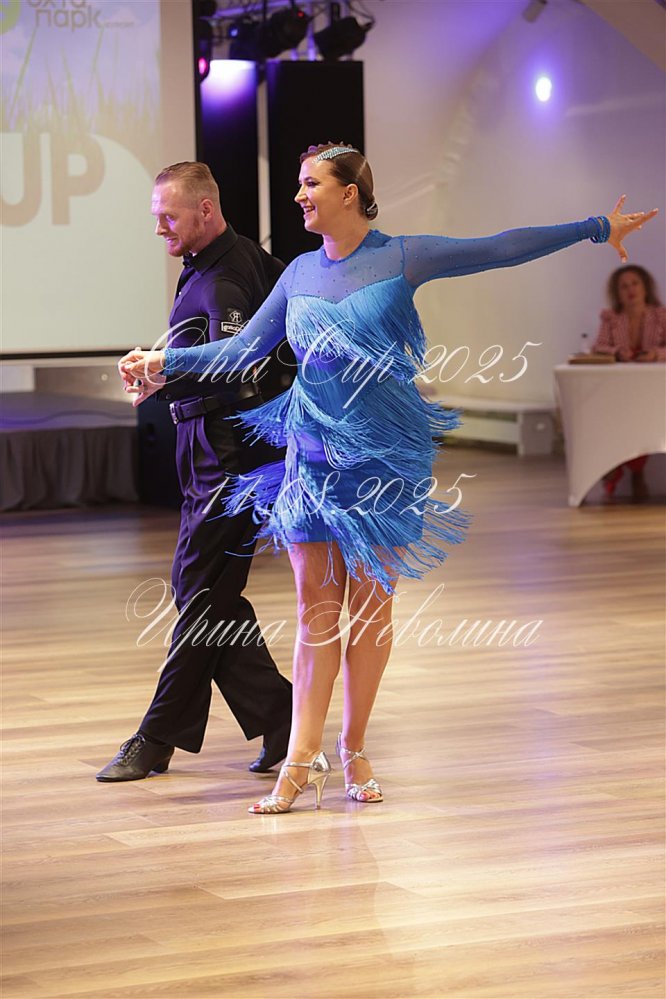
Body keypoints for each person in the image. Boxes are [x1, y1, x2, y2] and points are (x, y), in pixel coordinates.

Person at [118, 144, 658, 812]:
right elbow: (242, 349)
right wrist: (163, 362)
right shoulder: (297, 274)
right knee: (316, 616)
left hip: (381, 464)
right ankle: (299, 761)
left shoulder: (404, 256)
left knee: (370, 611)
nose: (298, 195)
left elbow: (499, 247)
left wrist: (596, 228)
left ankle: (354, 748)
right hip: (312, 459)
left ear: (349, 192)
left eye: (310, 183)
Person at [97, 162, 292, 783]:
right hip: (212, 444)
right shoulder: (217, 262)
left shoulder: (228, 275)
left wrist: (162, 366)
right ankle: (282, 715)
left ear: (206, 210)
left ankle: (156, 738)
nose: (159, 227)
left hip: (229, 454)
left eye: (168, 216)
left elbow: (238, 363)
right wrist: (164, 378)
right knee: (205, 594)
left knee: (201, 596)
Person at [591, 265, 666, 501]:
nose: (630, 290)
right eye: (624, 286)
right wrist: (617, 352)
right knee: (613, 419)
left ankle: (637, 473)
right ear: (617, 293)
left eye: (634, 284)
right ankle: (615, 467)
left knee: (643, 419)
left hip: (652, 388)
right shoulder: (611, 317)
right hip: (619, 388)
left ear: (645, 287)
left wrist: (655, 354)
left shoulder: (660, 315)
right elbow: (598, 346)